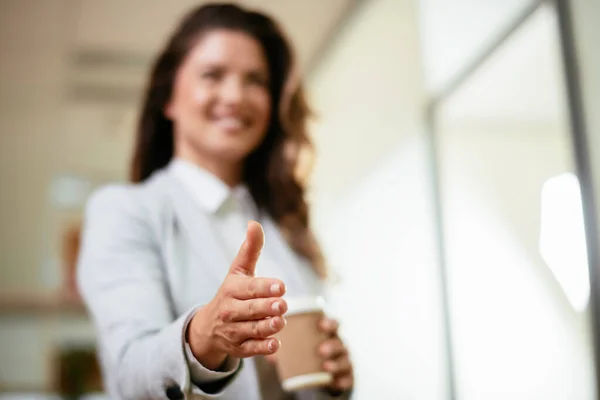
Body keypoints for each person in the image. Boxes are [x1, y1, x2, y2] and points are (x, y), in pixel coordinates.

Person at [76, 3, 353, 399]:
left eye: (255, 80)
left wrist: (337, 379)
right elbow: (129, 373)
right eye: (213, 74)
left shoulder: (284, 223)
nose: (236, 96)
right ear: (168, 98)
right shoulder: (124, 211)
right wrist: (204, 334)